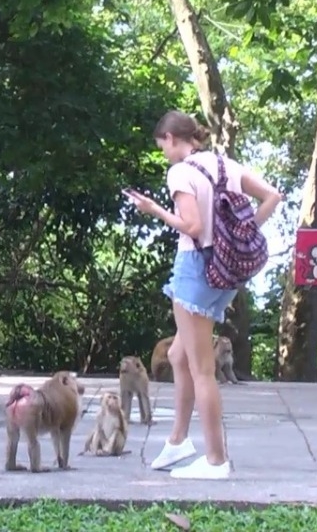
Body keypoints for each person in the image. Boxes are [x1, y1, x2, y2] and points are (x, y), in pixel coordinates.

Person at [124, 110, 281, 480]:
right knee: (177, 354)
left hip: (196, 269)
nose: (163, 153)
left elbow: (192, 227)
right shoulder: (224, 164)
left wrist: (154, 210)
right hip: (226, 272)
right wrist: (240, 236)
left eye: (161, 146)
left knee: (202, 370)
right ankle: (178, 440)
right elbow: (273, 196)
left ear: (170, 138)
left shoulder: (180, 172)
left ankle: (215, 460)